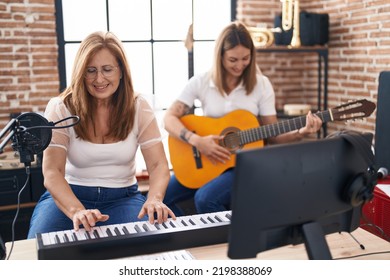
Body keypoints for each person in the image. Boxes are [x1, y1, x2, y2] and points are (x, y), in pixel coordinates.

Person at [163, 21, 323, 216]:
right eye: (233, 60)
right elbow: (169, 118)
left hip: (245, 164)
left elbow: (272, 135)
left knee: (204, 199)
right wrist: (197, 141)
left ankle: (234, 241)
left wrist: (301, 132)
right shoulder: (201, 82)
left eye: (245, 58)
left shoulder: (261, 85)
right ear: (220, 56)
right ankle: (188, 238)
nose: (240, 65)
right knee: (160, 196)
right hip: (206, 158)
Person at [27, 31, 175, 238]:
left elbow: (159, 166)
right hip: (70, 195)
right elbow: (52, 172)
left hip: (124, 198)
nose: (99, 79)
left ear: (121, 72)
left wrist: (155, 199)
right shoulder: (61, 107)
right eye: (91, 71)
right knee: (39, 247)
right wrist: (76, 211)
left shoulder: (139, 106)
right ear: (81, 73)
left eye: (107, 69)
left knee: (149, 246)